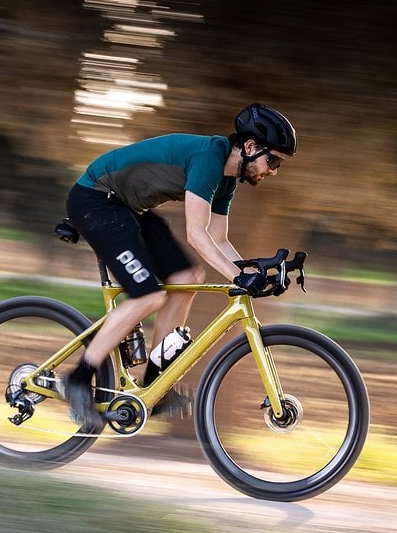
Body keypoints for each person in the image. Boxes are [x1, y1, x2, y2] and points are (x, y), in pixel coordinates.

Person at [62, 103, 297, 429]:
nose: (273, 170)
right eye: (272, 161)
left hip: (128, 207)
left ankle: (154, 386)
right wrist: (237, 276)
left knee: (188, 277)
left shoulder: (228, 178)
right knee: (148, 296)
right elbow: (195, 235)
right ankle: (77, 380)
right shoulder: (209, 158)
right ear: (250, 146)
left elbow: (218, 240)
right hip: (97, 199)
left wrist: (256, 274)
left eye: (278, 165)